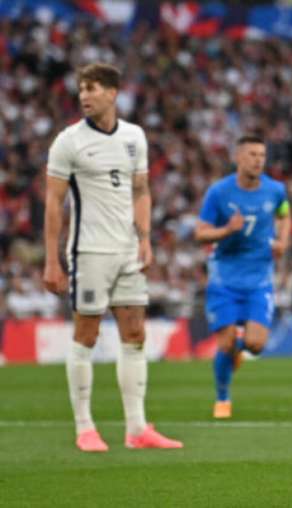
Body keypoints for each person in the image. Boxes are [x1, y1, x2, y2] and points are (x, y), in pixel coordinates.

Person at [43, 63, 183, 452]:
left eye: (92, 88)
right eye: (81, 89)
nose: (84, 96)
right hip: (88, 251)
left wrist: (146, 239)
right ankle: (84, 427)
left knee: (135, 334)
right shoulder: (68, 141)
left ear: (113, 92)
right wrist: (51, 260)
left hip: (127, 252)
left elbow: (141, 191)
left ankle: (137, 429)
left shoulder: (135, 137)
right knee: (86, 334)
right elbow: (53, 202)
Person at [195, 135, 291, 419]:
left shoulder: (275, 190)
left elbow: (284, 214)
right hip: (224, 278)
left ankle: (236, 352)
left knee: (256, 344)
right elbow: (201, 232)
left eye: (262, 155)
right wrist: (226, 230)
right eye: (252, 154)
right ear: (238, 158)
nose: (258, 160)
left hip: (259, 277)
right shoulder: (219, 193)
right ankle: (222, 398)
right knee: (225, 344)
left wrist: (283, 240)